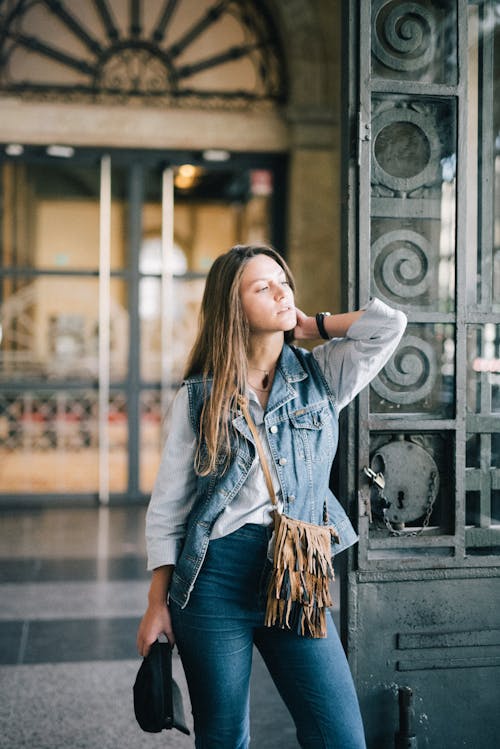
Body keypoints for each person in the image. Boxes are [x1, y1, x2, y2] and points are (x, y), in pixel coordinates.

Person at [137, 243, 407, 749]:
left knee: (340, 736)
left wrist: (315, 325)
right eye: (263, 287)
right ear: (232, 308)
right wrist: (156, 603)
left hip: (297, 571)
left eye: (284, 280)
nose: (282, 291)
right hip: (215, 579)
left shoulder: (321, 375)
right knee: (223, 737)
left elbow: (390, 325)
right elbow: (170, 507)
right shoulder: (199, 397)